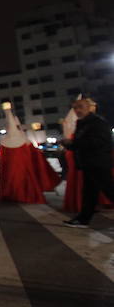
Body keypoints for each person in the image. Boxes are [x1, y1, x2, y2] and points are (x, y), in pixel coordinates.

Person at [62, 98, 114, 228]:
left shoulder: (98, 123)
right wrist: (69, 145)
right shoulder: (82, 123)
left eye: (81, 107)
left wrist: (73, 143)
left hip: (98, 163)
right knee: (89, 193)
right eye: (75, 108)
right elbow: (80, 144)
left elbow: (99, 142)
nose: (77, 110)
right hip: (88, 164)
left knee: (110, 191)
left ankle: (83, 219)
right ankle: (83, 219)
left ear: (89, 108)